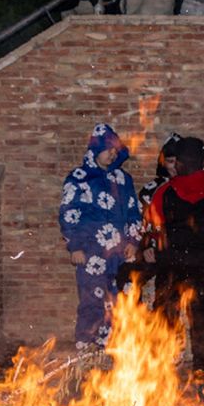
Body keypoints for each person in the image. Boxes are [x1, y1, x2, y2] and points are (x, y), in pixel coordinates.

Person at [149, 136, 204, 375]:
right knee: (201, 318)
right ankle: (202, 368)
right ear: (202, 161)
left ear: (180, 163)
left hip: (171, 263)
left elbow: (154, 224)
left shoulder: (164, 192)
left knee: (166, 316)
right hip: (203, 264)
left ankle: (163, 369)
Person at [59, 123, 142, 350]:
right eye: (108, 149)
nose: (113, 154)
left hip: (120, 253)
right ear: (95, 149)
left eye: (116, 150)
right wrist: (74, 246)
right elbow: (68, 213)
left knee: (121, 302)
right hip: (90, 253)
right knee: (92, 301)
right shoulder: (78, 178)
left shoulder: (124, 179)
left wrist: (134, 242)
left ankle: (114, 353)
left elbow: (134, 212)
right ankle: (86, 351)